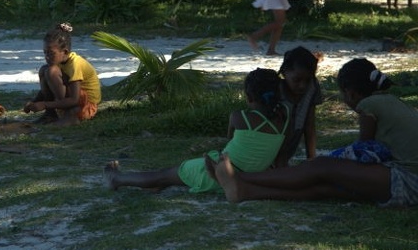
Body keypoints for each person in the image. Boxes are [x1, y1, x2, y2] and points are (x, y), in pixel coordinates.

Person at [212, 58, 418, 207]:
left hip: (407, 179)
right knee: (325, 188)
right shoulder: (393, 101)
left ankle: (241, 177)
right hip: (407, 180)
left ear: (351, 92)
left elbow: (363, 150)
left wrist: (326, 162)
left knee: (321, 168)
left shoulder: (368, 104)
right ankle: (243, 191)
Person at [104, 68, 291, 193]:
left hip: (218, 175)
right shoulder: (284, 118)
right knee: (168, 177)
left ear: (249, 98)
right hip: (246, 178)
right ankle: (159, 183)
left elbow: (229, 141)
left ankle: (117, 179)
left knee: (165, 173)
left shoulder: (239, 117)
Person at [24, 22, 101, 126]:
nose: (47, 57)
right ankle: (50, 115)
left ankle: (70, 115)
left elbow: (75, 99)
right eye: (45, 53)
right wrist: (34, 102)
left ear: (65, 52)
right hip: (72, 99)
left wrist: (45, 104)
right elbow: (48, 88)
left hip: (85, 105)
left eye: (51, 53)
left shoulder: (75, 64)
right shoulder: (60, 62)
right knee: (44, 70)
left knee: (52, 71)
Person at [274, 46, 323, 166]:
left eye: (307, 80)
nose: (302, 86)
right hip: (272, 144)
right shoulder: (275, 90)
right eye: (297, 80)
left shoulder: (312, 88)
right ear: (284, 73)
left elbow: (309, 125)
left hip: (292, 141)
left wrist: (311, 160)